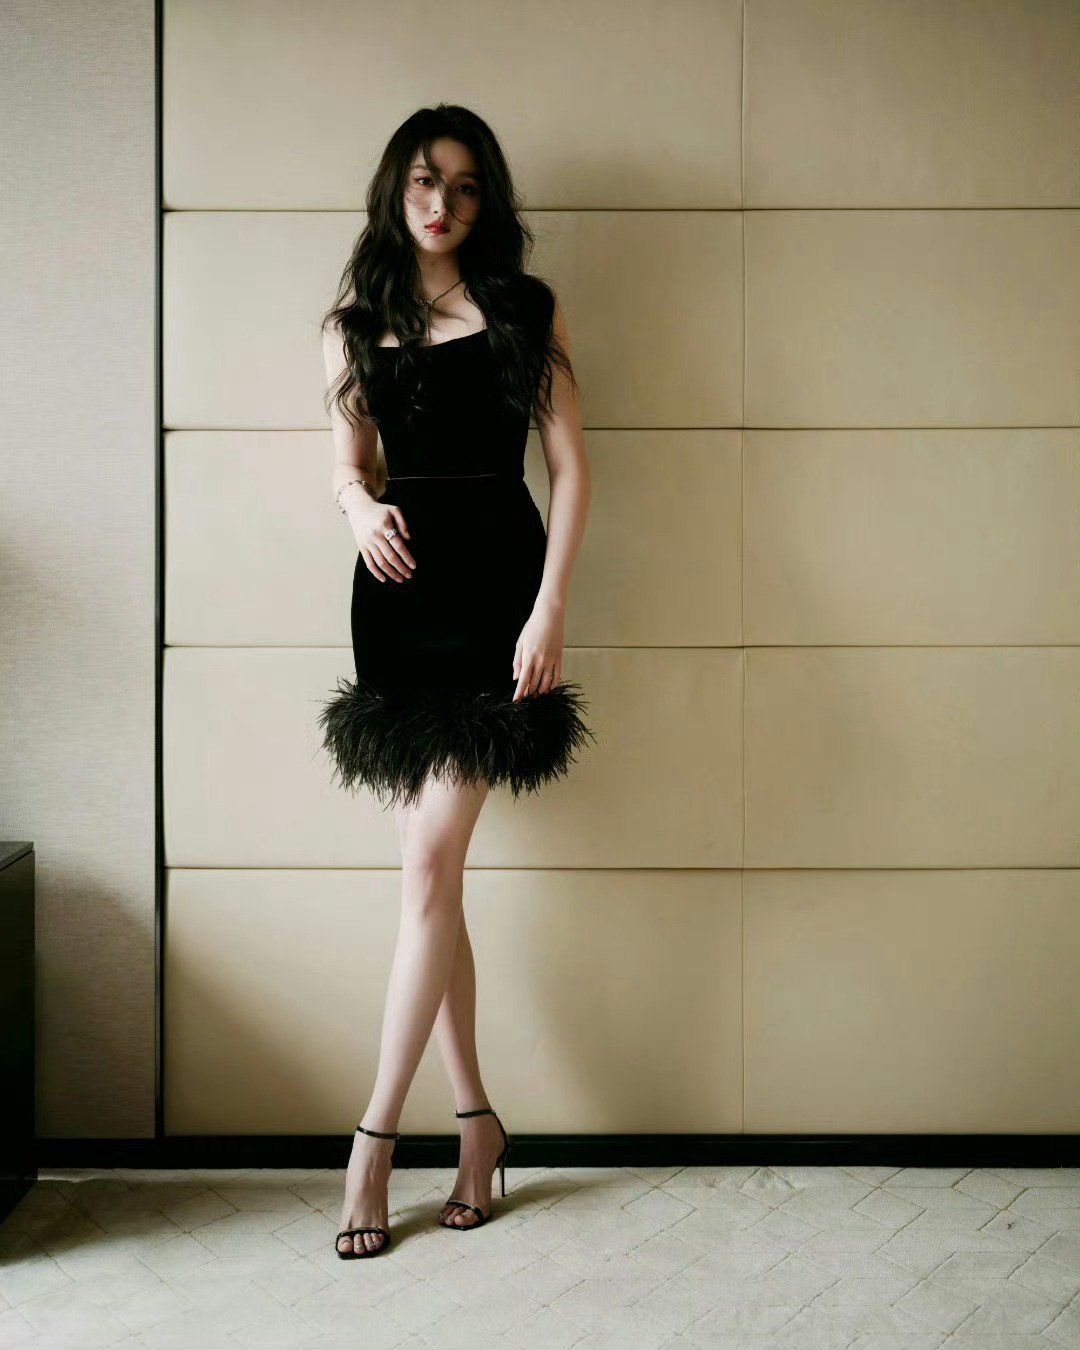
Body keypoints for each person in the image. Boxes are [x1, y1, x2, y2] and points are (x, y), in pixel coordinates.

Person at [316, 105, 596, 1260]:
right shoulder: (353, 324)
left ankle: (375, 1141)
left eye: (467, 186)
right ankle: (477, 1123)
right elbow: (349, 464)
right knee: (431, 884)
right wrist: (357, 505)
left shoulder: (525, 309)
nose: (443, 203)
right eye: (426, 182)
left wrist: (551, 608)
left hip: (497, 599)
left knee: (430, 870)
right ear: (398, 191)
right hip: (395, 605)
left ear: (488, 201)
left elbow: (571, 468)